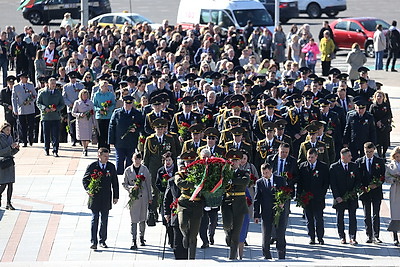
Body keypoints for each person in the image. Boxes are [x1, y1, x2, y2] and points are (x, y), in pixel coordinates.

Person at [82, 148, 119, 250]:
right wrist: (89, 189)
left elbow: (115, 182)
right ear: (99, 156)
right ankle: (94, 241)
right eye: (104, 156)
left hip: (106, 197)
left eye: (107, 156)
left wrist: (116, 196)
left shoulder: (111, 166)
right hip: (95, 197)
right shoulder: (93, 166)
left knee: (104, 219)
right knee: (95, 218)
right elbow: (85, 179)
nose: (107, 158)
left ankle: (102, 240)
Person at [254, 163, 288, 260]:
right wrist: (256, 214)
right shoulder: (259, 183)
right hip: (266, 211)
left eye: (267, 173)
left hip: (279, 210)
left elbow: (286, 192)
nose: (265, 175)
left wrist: (282, 202)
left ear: (271, 171)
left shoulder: (280, 180)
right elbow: (257, 199)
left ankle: (281, 254)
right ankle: (266, 255)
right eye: (263, 173)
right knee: (266, 234)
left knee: (280, 233)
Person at [174, 150, 204, 259]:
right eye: (187, 162)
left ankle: (192, 259)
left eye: (191, 161)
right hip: (184, 203)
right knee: (182, 224)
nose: (189, 164)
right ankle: (185, 234)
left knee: (194, 235)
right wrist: (194, 184)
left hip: (197, 204)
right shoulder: (180, 174)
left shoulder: (200, 174)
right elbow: (179, 183)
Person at [297, 148, 329, 244]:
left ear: (316, 156)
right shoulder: (303, 166)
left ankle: (320, 237)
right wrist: (299, 195)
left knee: (319, 219)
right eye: (308, 157)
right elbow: (300, 182)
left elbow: (326, 182)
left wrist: (322, 193)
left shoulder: (323, 167)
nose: (310, 159)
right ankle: (311, 237)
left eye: (312, 157)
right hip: (306, 197)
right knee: (309, 219)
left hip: (318, 197)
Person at [329, 148, 361, 245]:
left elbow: (358, 180)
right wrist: (337, 196)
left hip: (351, 196)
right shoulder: (334, 167)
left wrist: (354, 191)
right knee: (340, 217)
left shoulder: (354, 166)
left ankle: (352, 236)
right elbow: (332, 184)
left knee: (352, 217)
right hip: (340, 197)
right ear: (342, 157)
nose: (351, 157)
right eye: (349, 156)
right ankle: (342, 236)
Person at [222, 149, 250, 260]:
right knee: (227, 225)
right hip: (227, 203)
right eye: (232, 160)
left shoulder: (244, 173)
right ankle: (227, 233)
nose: (234, 162)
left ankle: (232, 258)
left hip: (240, 205)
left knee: (236, 234)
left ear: (239, 162)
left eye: (236, 160)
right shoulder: (224, 173)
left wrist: (231, 181)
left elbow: (244, 181)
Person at [355, 142, 385, 243]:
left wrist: (376, 184)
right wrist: (362, 187)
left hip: (376, 191)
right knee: (366, 214)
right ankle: (369, 235)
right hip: (365, 192)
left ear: (374, 151)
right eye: (367, 152)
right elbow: (357, 177)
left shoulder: (379, 161)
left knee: (376, 214)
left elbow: (382, 176)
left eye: (371, 152)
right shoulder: (359, 162)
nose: (369, 154)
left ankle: (376, 235)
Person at [123, 152, 152, 249]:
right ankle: (133, 239)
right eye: (136, 159)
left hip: (143, 197)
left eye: (139, 159)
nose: (137, 161)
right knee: (134, 219)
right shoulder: (128, 170)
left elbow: (148, 183)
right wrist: (131, 188)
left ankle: (142, 236)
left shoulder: (145, 169)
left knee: (143, 218)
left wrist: (150, 198)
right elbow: (124, 183)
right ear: (132, 159)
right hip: (134, 198)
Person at [108, 95, 144, 175]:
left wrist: (136, 130)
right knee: (119, 159)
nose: (128, 105)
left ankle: (128, 176)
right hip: (119, 141)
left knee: (129, 160)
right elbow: (112, 126)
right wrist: (111, 140)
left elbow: (142, 126)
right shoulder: (117, 113)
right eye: (126, 103)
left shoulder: (137, 113)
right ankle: (119, 175)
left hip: (131, 141)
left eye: (130, 103)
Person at [36, 77, 65, 157]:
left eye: (54, 83)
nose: (53, 85)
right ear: (48, 84)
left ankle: (55, 150)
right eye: (52, 83)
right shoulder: (42, 92)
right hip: (46, 117)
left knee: (55, 135)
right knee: (46, 134)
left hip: (55, 117)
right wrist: (44, 108)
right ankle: (46, 149)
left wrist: (56, 109)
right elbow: (38, 102)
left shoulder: (58, 93)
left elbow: (62, 104)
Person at [12, 72, 37, 147]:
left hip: (30, 108)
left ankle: (30, 138)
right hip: (21, 109)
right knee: (22, 126)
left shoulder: (31, 85)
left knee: (31, 125)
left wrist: (30, 100)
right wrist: (15, 109)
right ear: (21, 78)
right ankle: (24, 141)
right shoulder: (16, 87)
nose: (26, 79)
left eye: (26, 78)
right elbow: (14, 98)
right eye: (24, 78)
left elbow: (34, 95)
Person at [0, 122, 19, 210]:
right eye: (7, 130)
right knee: (3, 184)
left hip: (10, 162)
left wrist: (16, 149)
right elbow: (1, 152)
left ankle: (9, 203)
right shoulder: (0, 138)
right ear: (2, 130)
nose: (8, 132)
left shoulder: (10, 138)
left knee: (10, 184)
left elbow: (11, 152)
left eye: (10, 130)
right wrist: (10, 147)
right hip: (3, 163)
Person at [63, 71, 85, 146]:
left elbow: (84, 95)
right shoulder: (66, 87)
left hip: (80, 108)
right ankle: (73, 139)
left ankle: (81, 139)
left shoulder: (81, 85)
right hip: (70, 108)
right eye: (71, 78)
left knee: (80, 123)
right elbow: (64, 97)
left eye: (74, 78)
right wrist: (70, 104)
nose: (73, 79)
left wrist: (79, 103)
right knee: (71, 124)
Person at [71, 89, 96, 156]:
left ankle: (86, 147)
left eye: (86, 95)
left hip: (88, 122)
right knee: (82, 137)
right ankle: (84, 148)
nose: (85, 96)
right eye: (83, 95)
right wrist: (79, 114)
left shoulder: (90, 102)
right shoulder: (77, 102)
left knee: (87, 137)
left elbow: (93, 112)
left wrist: (94, 123)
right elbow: (73, 113)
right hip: (81, 122)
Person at [93, 80, 116, 150]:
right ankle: (100, 147)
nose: (106, 87)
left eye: (106, 86)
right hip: (100, 116)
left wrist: (109, 108)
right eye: (104, 86)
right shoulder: (96, 95)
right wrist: (99, 110)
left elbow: (114, 104)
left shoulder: (111, 94)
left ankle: (107, 148)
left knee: (107, 132)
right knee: (100, 133)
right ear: (100, 87)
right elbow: (94, 105)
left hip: (108, 116)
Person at [385, 147, 400, 246]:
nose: (398, 158)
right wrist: (394, 179)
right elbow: (387, 177)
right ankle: (395, 237)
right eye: (397, 156)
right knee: (395, 214)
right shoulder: (390, 166)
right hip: (395, 190)